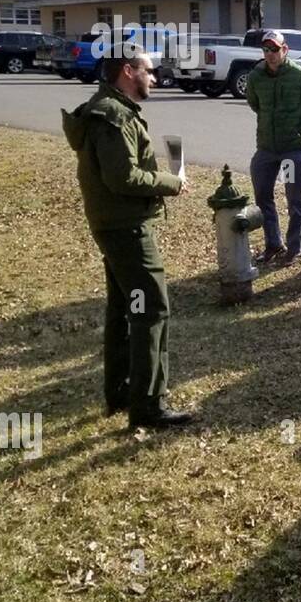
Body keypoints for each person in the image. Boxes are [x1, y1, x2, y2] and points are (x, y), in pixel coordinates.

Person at [61, 48, 194, 429]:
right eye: (148, 71)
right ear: (127, 71)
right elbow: (123, 177)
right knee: (150, 309)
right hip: (127, 231)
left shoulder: (105, 108)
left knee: (125, 308)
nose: (154, 78)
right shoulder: (114, 116)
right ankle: (148, 405)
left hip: (114, 226)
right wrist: (173, 183)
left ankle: (120, 392)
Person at [246, 29, 301, 267]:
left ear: (285, 50)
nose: (270, 54)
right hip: (267, 147)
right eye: (266, 50)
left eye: (275, 49)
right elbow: (254, 104)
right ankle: (273, 243)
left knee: (293, 196)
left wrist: (300, 130)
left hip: (293, 148)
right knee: (262, 195)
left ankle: (295, 247)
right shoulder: (256, 76)